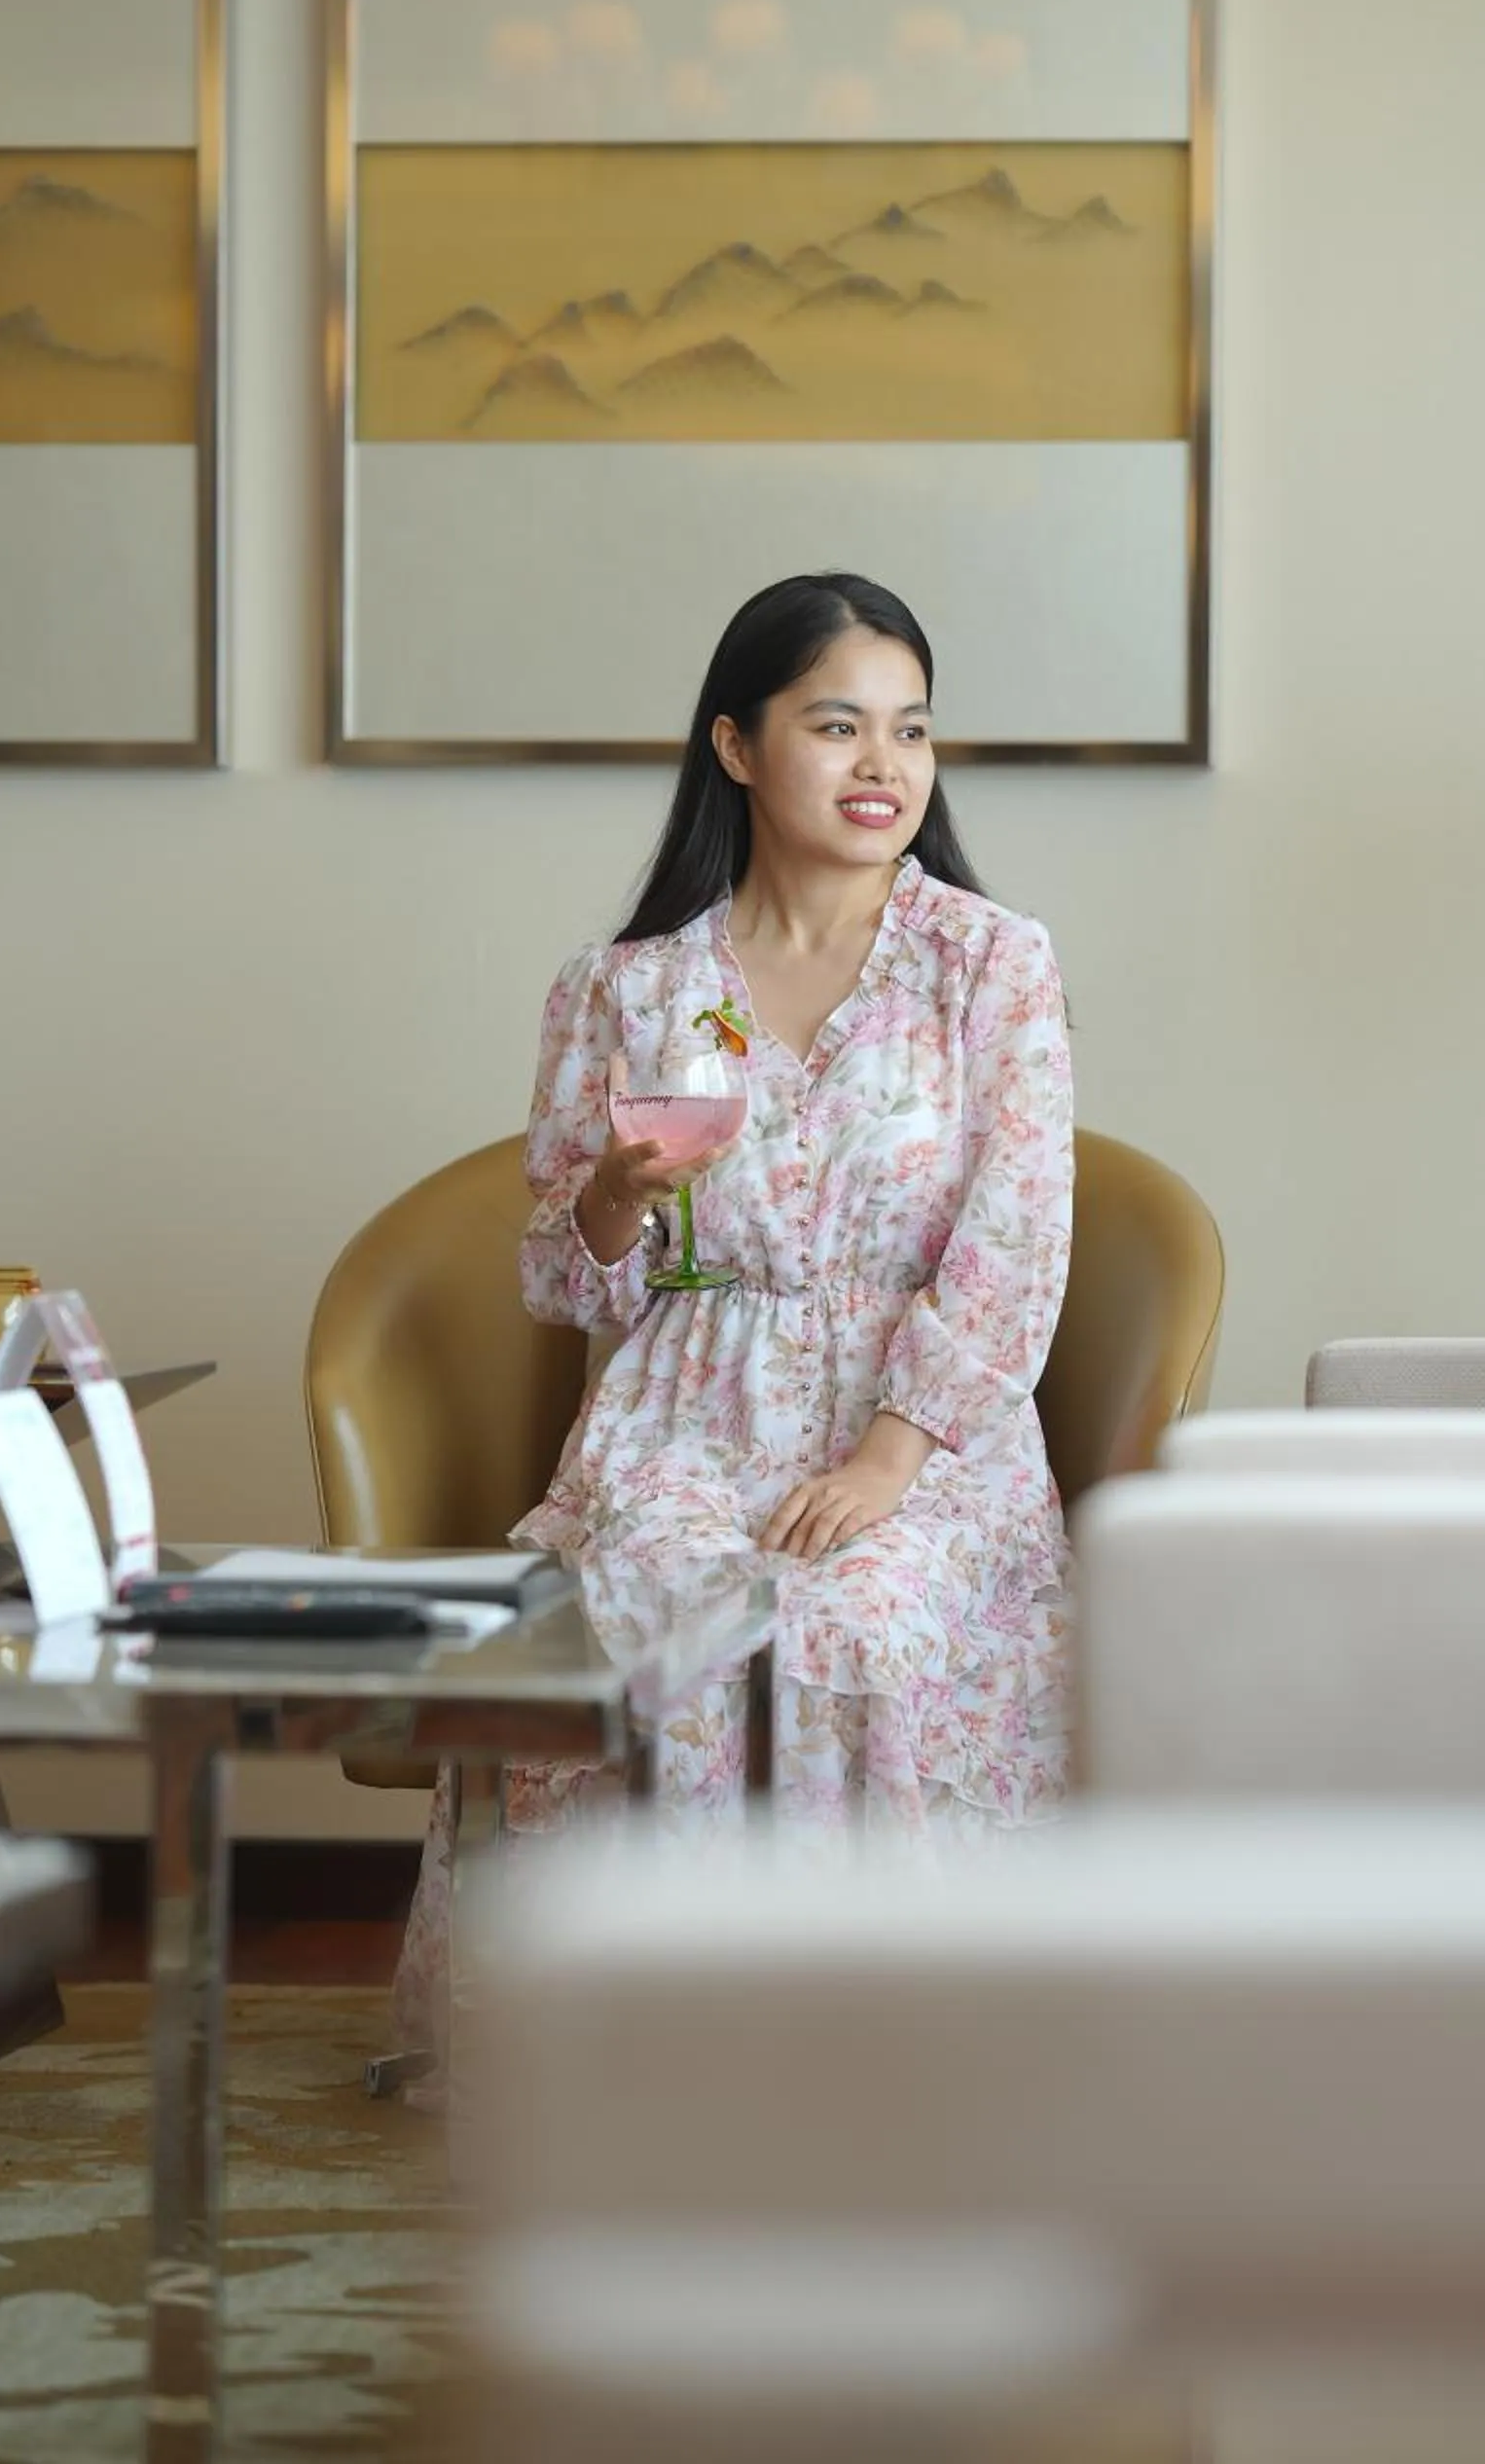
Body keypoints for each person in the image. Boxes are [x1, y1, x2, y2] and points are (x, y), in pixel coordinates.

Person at [394, 571, 1074, 2044]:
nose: (885, 765)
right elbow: (565, 1280)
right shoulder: (626, 992)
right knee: (671, 1617)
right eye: (839, 726)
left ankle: (883, 2035)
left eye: (911, 729)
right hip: (686, 1416)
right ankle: (639, 2040)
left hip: (921, 1438)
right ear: (738, 746)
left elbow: (1019, 1241)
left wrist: (888, 1458)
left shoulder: (992, 966)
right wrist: (615, 1204)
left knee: (853, 1618)